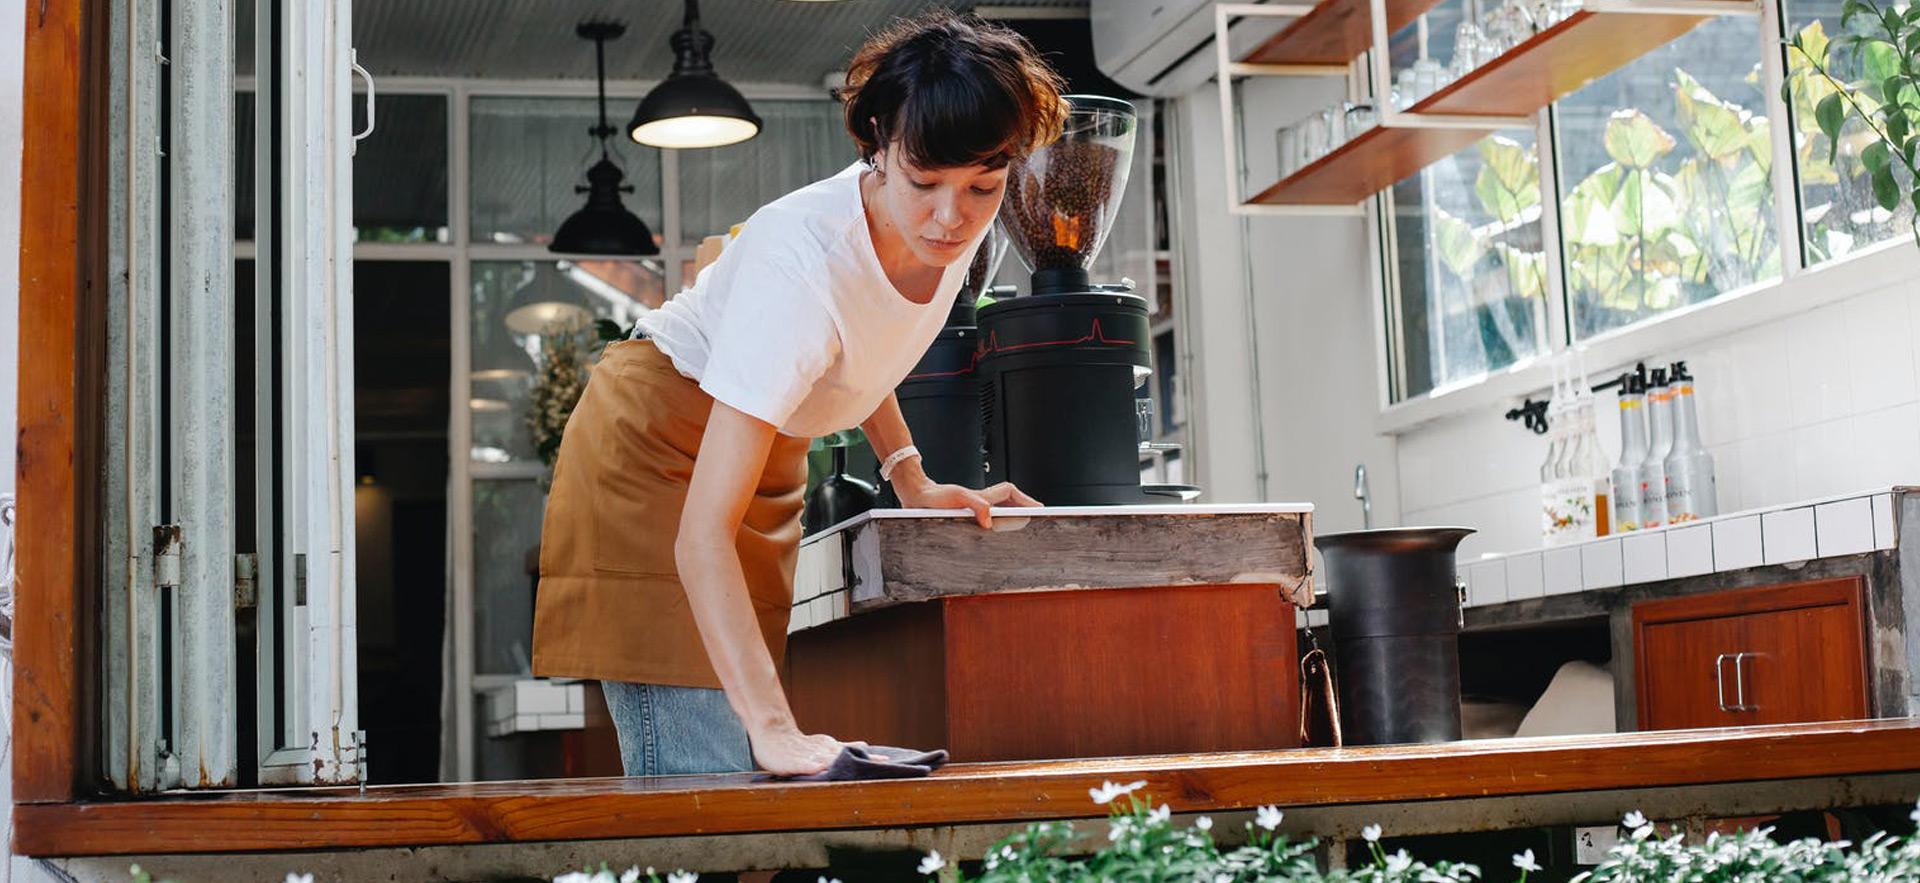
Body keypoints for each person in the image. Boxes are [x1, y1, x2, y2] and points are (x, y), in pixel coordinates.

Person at [531, 12, 1065, 778]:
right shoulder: (800, 267)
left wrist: (909, 477)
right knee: (710, 772)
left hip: (759, 444)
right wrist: (775, 728)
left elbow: (857, 347)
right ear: (876, 142)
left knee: (750, 781)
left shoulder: (946, 213)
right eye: (924, 183)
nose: (952, 217)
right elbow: (698, 536)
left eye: (984, 185)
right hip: (653, 445)